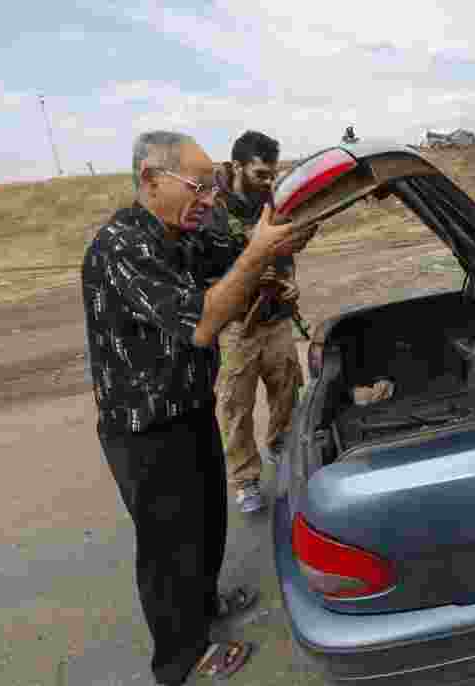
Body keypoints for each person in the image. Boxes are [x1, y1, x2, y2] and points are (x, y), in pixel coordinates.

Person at [82, 130, 308, 684]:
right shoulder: (122, 246)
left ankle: (202, 606)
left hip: (186, 408)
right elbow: (205, 322)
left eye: (212, 186)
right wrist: (258, 253)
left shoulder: (176, 233)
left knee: (204, 525)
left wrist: (277, 246)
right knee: (168, 547)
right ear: (150, 181)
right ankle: (180, 658)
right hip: (144, 430)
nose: (208, 198)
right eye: (198, 186)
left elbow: (237, 259)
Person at [209, 130, 305, 514]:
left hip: (277, 318)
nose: (269, 182)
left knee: (287, 390)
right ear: (237, 167)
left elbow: (287, 250)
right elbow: (204, 270)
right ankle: (246, 480)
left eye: (273, 175)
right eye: (261, 174)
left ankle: (281, 447)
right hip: (237, 327)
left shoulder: (273, 203)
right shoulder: (212, 210)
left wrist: (290, 284)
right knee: (237, 407)